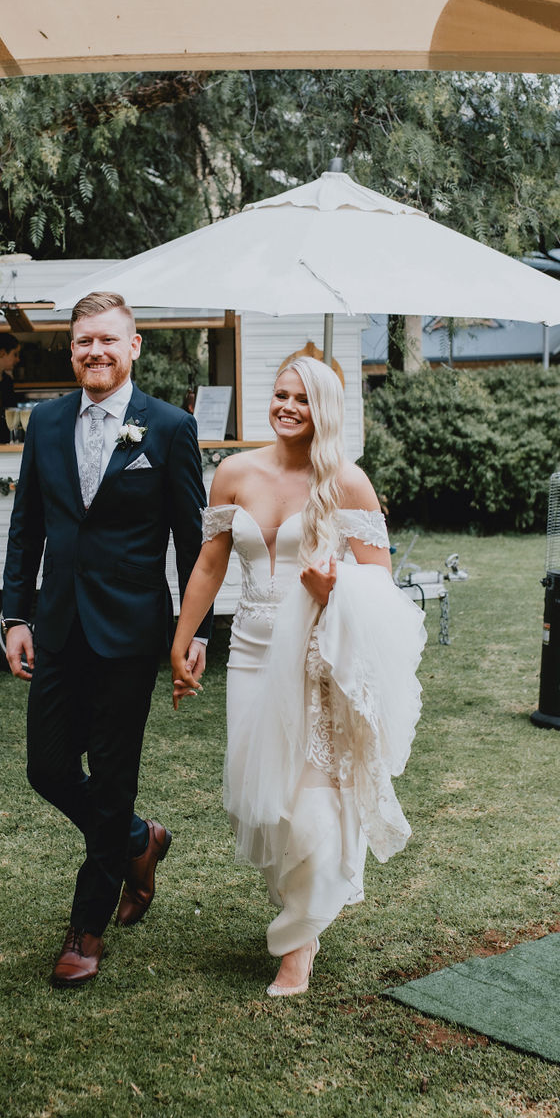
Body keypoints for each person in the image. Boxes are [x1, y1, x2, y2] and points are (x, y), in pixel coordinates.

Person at [171, 357, 425, 997]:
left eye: (301, 399)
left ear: (325, 411)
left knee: (311, 806)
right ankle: (298, 913)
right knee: (265, 804)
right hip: (253, 657)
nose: (286, 407)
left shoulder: (347, 483)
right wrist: (183, 639)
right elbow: (209, 564)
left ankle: (298, 945)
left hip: (317, 660)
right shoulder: (234, 473)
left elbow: (382, 586)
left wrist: (333, 585)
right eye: (280, 394)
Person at [1, 292, 210, 988]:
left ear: (134, 347)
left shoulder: (171, 429)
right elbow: (26, 526)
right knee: (47, 768)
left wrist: (193, 632)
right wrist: (16, 616)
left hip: (129, 632)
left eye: (108, 341)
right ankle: (134, 839)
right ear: (72, 351)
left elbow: (194, 543)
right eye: (83, 341)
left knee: (114, 776)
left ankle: (85, 929)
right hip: (58, 625)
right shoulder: (47, 422)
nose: (95, 351)